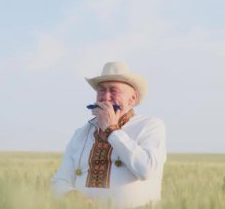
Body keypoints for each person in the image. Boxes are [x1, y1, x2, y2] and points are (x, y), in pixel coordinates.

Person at [52, 62, 167, 208]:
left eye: (113, 90)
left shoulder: (150, 125)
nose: (106, 97)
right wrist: (70, 194)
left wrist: (111, 129)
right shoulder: (81, 133)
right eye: (101, 90)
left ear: (132, 99)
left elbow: (147, 171)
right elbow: (59, 180)